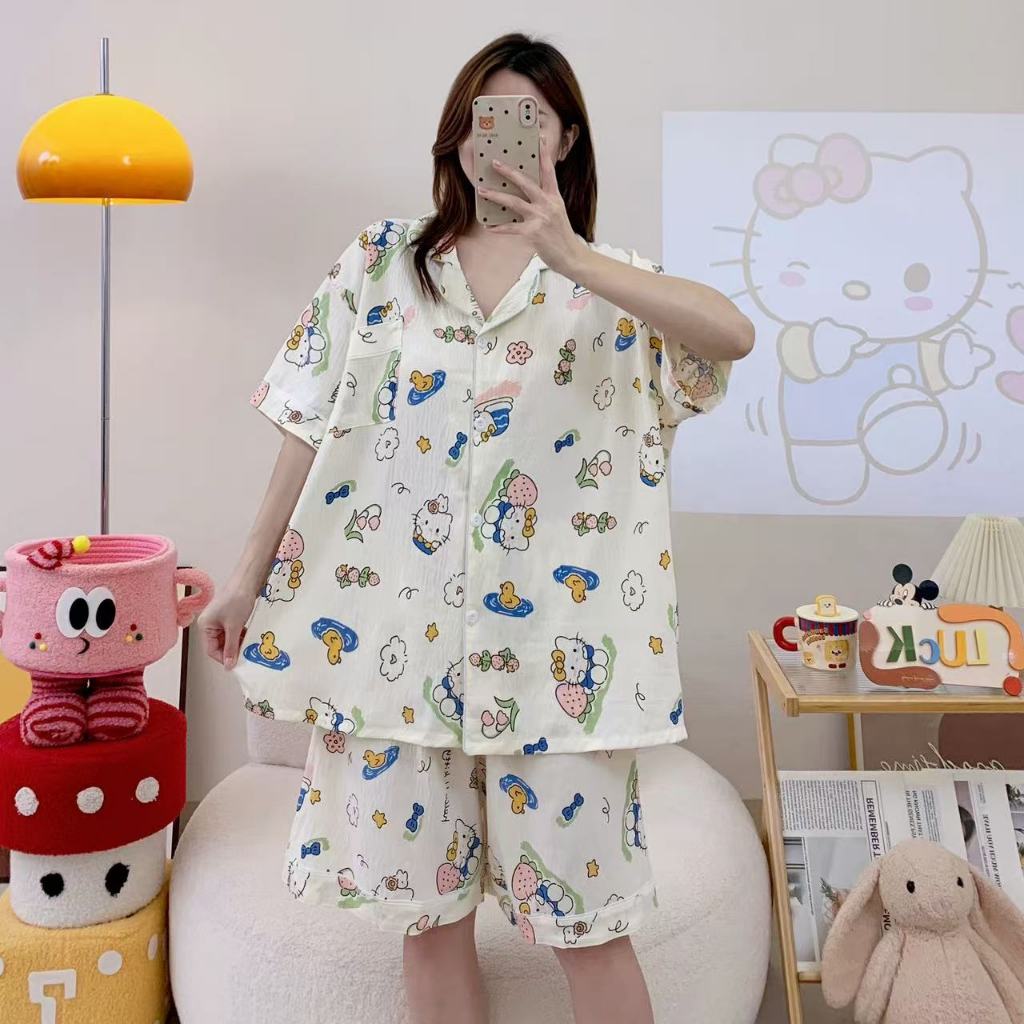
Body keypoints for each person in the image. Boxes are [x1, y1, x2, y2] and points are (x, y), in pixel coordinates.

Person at [202, 32, 753, 1024]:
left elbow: (731, 336)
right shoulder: (380, 264)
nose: (498, 139)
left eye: (528, 120)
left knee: (590, 929)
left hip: (560, 666)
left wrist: (571, 255)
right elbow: (303, 424)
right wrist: (246, 576)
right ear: (456, 136)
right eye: (482, 119)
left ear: (567, 140)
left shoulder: (613, 287)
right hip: (396, 658)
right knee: (428, 923)